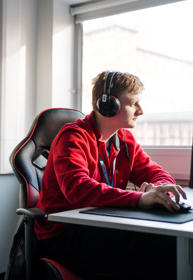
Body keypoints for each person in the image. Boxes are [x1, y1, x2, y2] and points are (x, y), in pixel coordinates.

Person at [35, 70, 186, 280]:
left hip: (99, 223)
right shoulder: (73, 137)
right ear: (108, 105)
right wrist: (141, 199)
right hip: (63, 235)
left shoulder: (124, 140)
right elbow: (78, 189)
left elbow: (156, 173)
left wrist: (159, 189)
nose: (140, 111)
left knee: (167, 238)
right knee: (158, 242)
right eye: (133, 103)